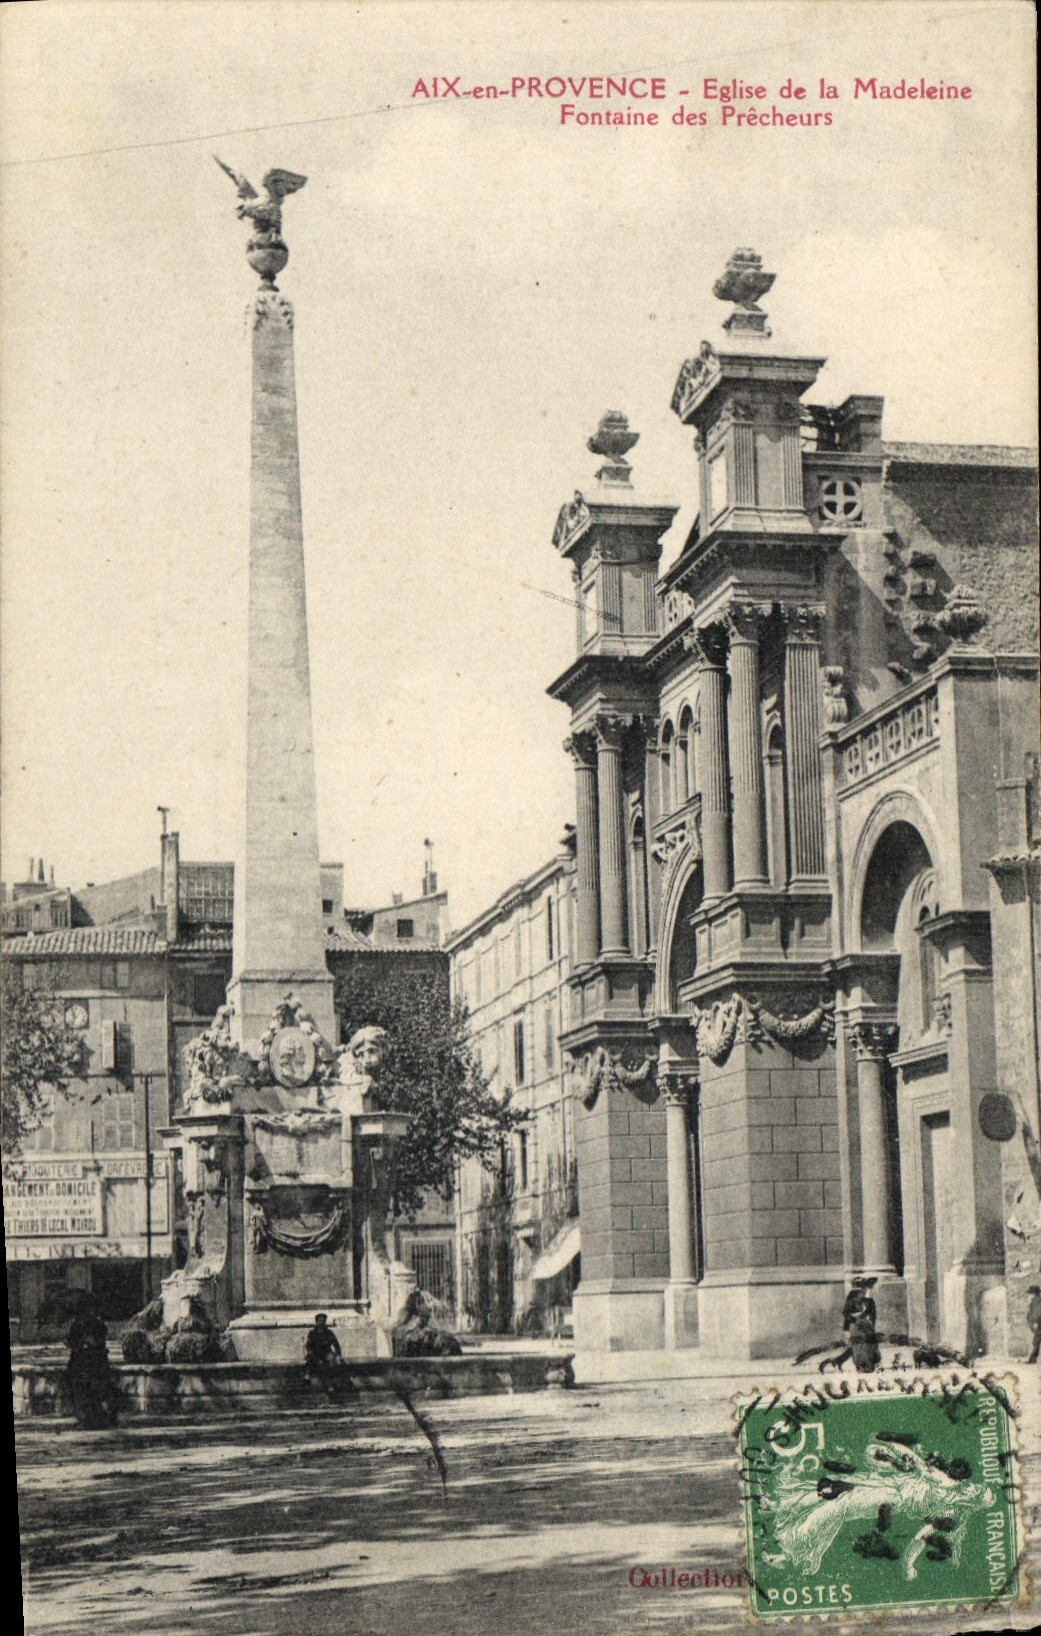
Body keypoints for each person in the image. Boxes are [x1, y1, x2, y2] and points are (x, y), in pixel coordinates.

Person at [64, 1301, 120, 1428]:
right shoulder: (98, 1324)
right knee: (96, 1390)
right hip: (97, 1361)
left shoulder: (78, 1324)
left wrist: (77, 1343)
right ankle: (100, 1418)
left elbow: (72, 1342)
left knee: (84, 1391)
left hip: (83, 1362)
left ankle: (87, 1420)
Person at [304, 1312, 344, 1394]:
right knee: (314, 1362)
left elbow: (336, 1344)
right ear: (316, 1322)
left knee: (331, 1362)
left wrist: (339, 1355)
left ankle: (331, 1385)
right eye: (319, 1320)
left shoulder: (329, 1332)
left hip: (326, 1352)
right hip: (315, 1352)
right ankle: (307, 1376)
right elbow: (308, 1346)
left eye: (323, 1320)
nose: (321, 1322)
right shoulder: (312, 1333)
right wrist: (312, 1354)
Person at [1026, 1285, 1041, 1363]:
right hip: (1038, 1324)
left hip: (1039, 1324)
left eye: (1030, 1293)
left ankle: (1032, 1359)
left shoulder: (1037, 1301)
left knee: (1036, 1341)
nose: (1029, 1295)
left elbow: (1037, 1313)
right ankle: (1033, 1358)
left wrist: (1035, 1322)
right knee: (1036, 1341)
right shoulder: (1034, 1301)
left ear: (1034, 1294)